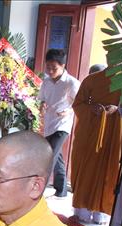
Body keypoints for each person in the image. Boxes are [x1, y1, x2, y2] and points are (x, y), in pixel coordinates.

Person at [71, 65, 122, 225]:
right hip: (90, 133)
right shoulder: (92, 80)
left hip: (113, 135)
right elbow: (78, 104)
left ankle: (101, 214)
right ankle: (82, 211)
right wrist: (91, 108)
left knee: (107, 170)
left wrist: (117, 109)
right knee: (86, 168)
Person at [38, 48, 80, 198]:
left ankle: (39, 191)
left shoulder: (71, 83)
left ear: (62, 66)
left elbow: (79, 103)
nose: (50, 71)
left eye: (54, 68)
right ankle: (61, 190)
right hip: (49, 122)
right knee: (57, 156)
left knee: (50, 155)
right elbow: (42, 98)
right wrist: (42, 105)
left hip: (63, 125)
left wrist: (68, 111)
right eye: (48, 67)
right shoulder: (46, 82)